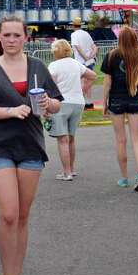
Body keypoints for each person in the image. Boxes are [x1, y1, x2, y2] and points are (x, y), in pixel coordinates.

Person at [0, 17, 63, 275]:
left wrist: (50, 105)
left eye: (17, 35)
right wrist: (11, 110)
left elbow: (56, 102)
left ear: (26, 37)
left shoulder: (38, 67)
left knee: (23, 216)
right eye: (6, 35)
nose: (11, 40)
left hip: (30, 146)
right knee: (9, 214)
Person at [102, 26, 138, 191]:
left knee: (120, 140)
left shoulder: (111, 56)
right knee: (136, 139)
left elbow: (107, 82)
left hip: (116, 100)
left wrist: (104, 102)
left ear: (120, 39)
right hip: (134, 99)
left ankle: (124, 178)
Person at [47, 39, 94, 180]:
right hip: (78, 102)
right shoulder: (76, 63)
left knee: (62, 140)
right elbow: (93, 75)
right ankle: (71, 169)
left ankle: (66, 172)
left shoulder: (53, 65)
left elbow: (49, 86)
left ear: (55, 52)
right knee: (71, 138)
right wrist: (83, 89)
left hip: (61, 103)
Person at [70, 18, 99, 109]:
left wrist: (85, 58)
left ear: (73, 26)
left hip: (80, 62)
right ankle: (89, 102)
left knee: (81, 82)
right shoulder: (86, 34)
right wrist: (91, 56)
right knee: (89, 81)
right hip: (89, 61)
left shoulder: (74, 35)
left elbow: (78, 48)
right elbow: (95, 47)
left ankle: (81, 101)